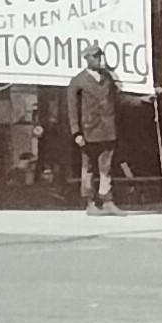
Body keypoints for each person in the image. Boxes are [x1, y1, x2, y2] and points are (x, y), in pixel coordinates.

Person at [68, 45, 124, 214]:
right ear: (87, 59)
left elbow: (118, 99)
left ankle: (107, 200)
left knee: (106, 167)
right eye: (95, 57)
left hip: (108, 130)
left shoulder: (107, 78)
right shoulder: (78, 81)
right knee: (89, 167)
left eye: (99, 56)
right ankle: (90, 202)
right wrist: (76, 132)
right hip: (89, 131)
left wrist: (142, 100)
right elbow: (72, 108)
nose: (98, 60)